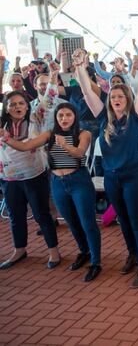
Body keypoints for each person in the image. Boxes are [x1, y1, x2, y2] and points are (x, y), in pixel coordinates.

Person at [71, 48, 138, 288]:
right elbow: (87, 91)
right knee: (123, 221)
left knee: (137, 220)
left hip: (135, 176)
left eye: (121, 97)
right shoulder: (105, 120)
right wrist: (80, 67)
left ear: (126, 100)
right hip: (112, 177)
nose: (116, 99)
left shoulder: (137, 117)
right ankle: (133, 254)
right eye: (113, 97)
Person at [3, 102, 101, 281]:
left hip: (79, 181)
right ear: (56, 118)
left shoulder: (83, 133)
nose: (64, 119)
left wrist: (65, 145)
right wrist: (7, 139)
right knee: (71, 222)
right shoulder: (49, 135)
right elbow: (26, 146)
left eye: (68, 115)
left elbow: (80, 153)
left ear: (75, 117)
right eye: (61, 115)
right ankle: (84, 251)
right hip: (57, 182)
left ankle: (96, 262)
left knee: (88, 223)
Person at [0, 88, 61, 270]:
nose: (17, 107)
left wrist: (54, 73)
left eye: (21, 103)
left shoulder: (36, 118)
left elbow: (49, 98)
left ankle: (54, 251)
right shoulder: (2, 124)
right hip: (8, 178)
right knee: (15, 216)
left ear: (27, 106)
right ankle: (19, 249)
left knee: (42, 214)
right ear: (6, 108)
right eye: (12, 104)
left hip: (34, 175)